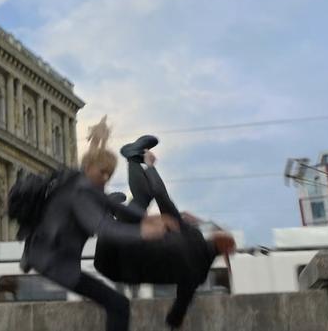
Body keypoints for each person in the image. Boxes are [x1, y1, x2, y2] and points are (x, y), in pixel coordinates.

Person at [18, 117, 178, 331]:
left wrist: (147, 218)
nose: (105, 177)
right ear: (89, 167)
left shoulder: (81, 183)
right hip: (54, 264)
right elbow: (104, 228)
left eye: (109, 174)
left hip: (48, 257)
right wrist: (145, 231)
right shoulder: (81, 193)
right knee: (119, 305)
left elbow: (115, 206)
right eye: (102, 172)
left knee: (116, 302)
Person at [95, 135, 236, 329]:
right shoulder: (197, 274)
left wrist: (151, 166)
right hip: (111, 266)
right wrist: (172, 323)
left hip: (113, 244)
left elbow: (161, 195)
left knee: (142, 201)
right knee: (139, 209)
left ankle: (116, 193)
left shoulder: (191, 236)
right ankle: (131, 158)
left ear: (213, 237)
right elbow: (178, 311)